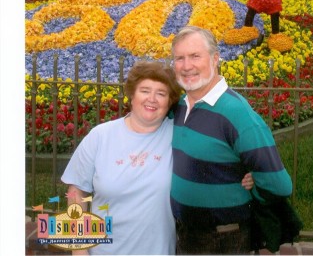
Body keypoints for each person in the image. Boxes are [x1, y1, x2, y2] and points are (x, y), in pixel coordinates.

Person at [170, 26, 293, 255]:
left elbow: (280, 185)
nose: (186, 66)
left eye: (195, 56)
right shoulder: (179, 106)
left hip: (222, 240)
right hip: (185, 234)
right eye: (179, 58)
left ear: (215, 59)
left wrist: (254, 185)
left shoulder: (237, 113)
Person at [61, 60, 182, 255]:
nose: (152, 99)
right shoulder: (100, 136)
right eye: (144, 90)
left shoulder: (178, 136)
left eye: (161, 93)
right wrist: (79, 249)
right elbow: (76, 192)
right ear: (132, 95)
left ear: (169, 102)